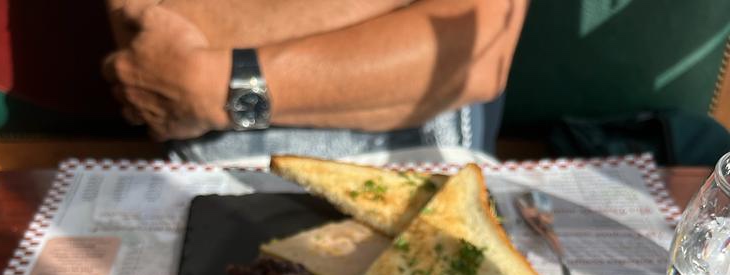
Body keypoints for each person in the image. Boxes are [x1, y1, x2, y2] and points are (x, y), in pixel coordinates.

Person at [102, 0, 528, 160]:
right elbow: (152, 31)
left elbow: (473, 53)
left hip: (435, 191)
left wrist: (218, 89)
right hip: (205, 200)